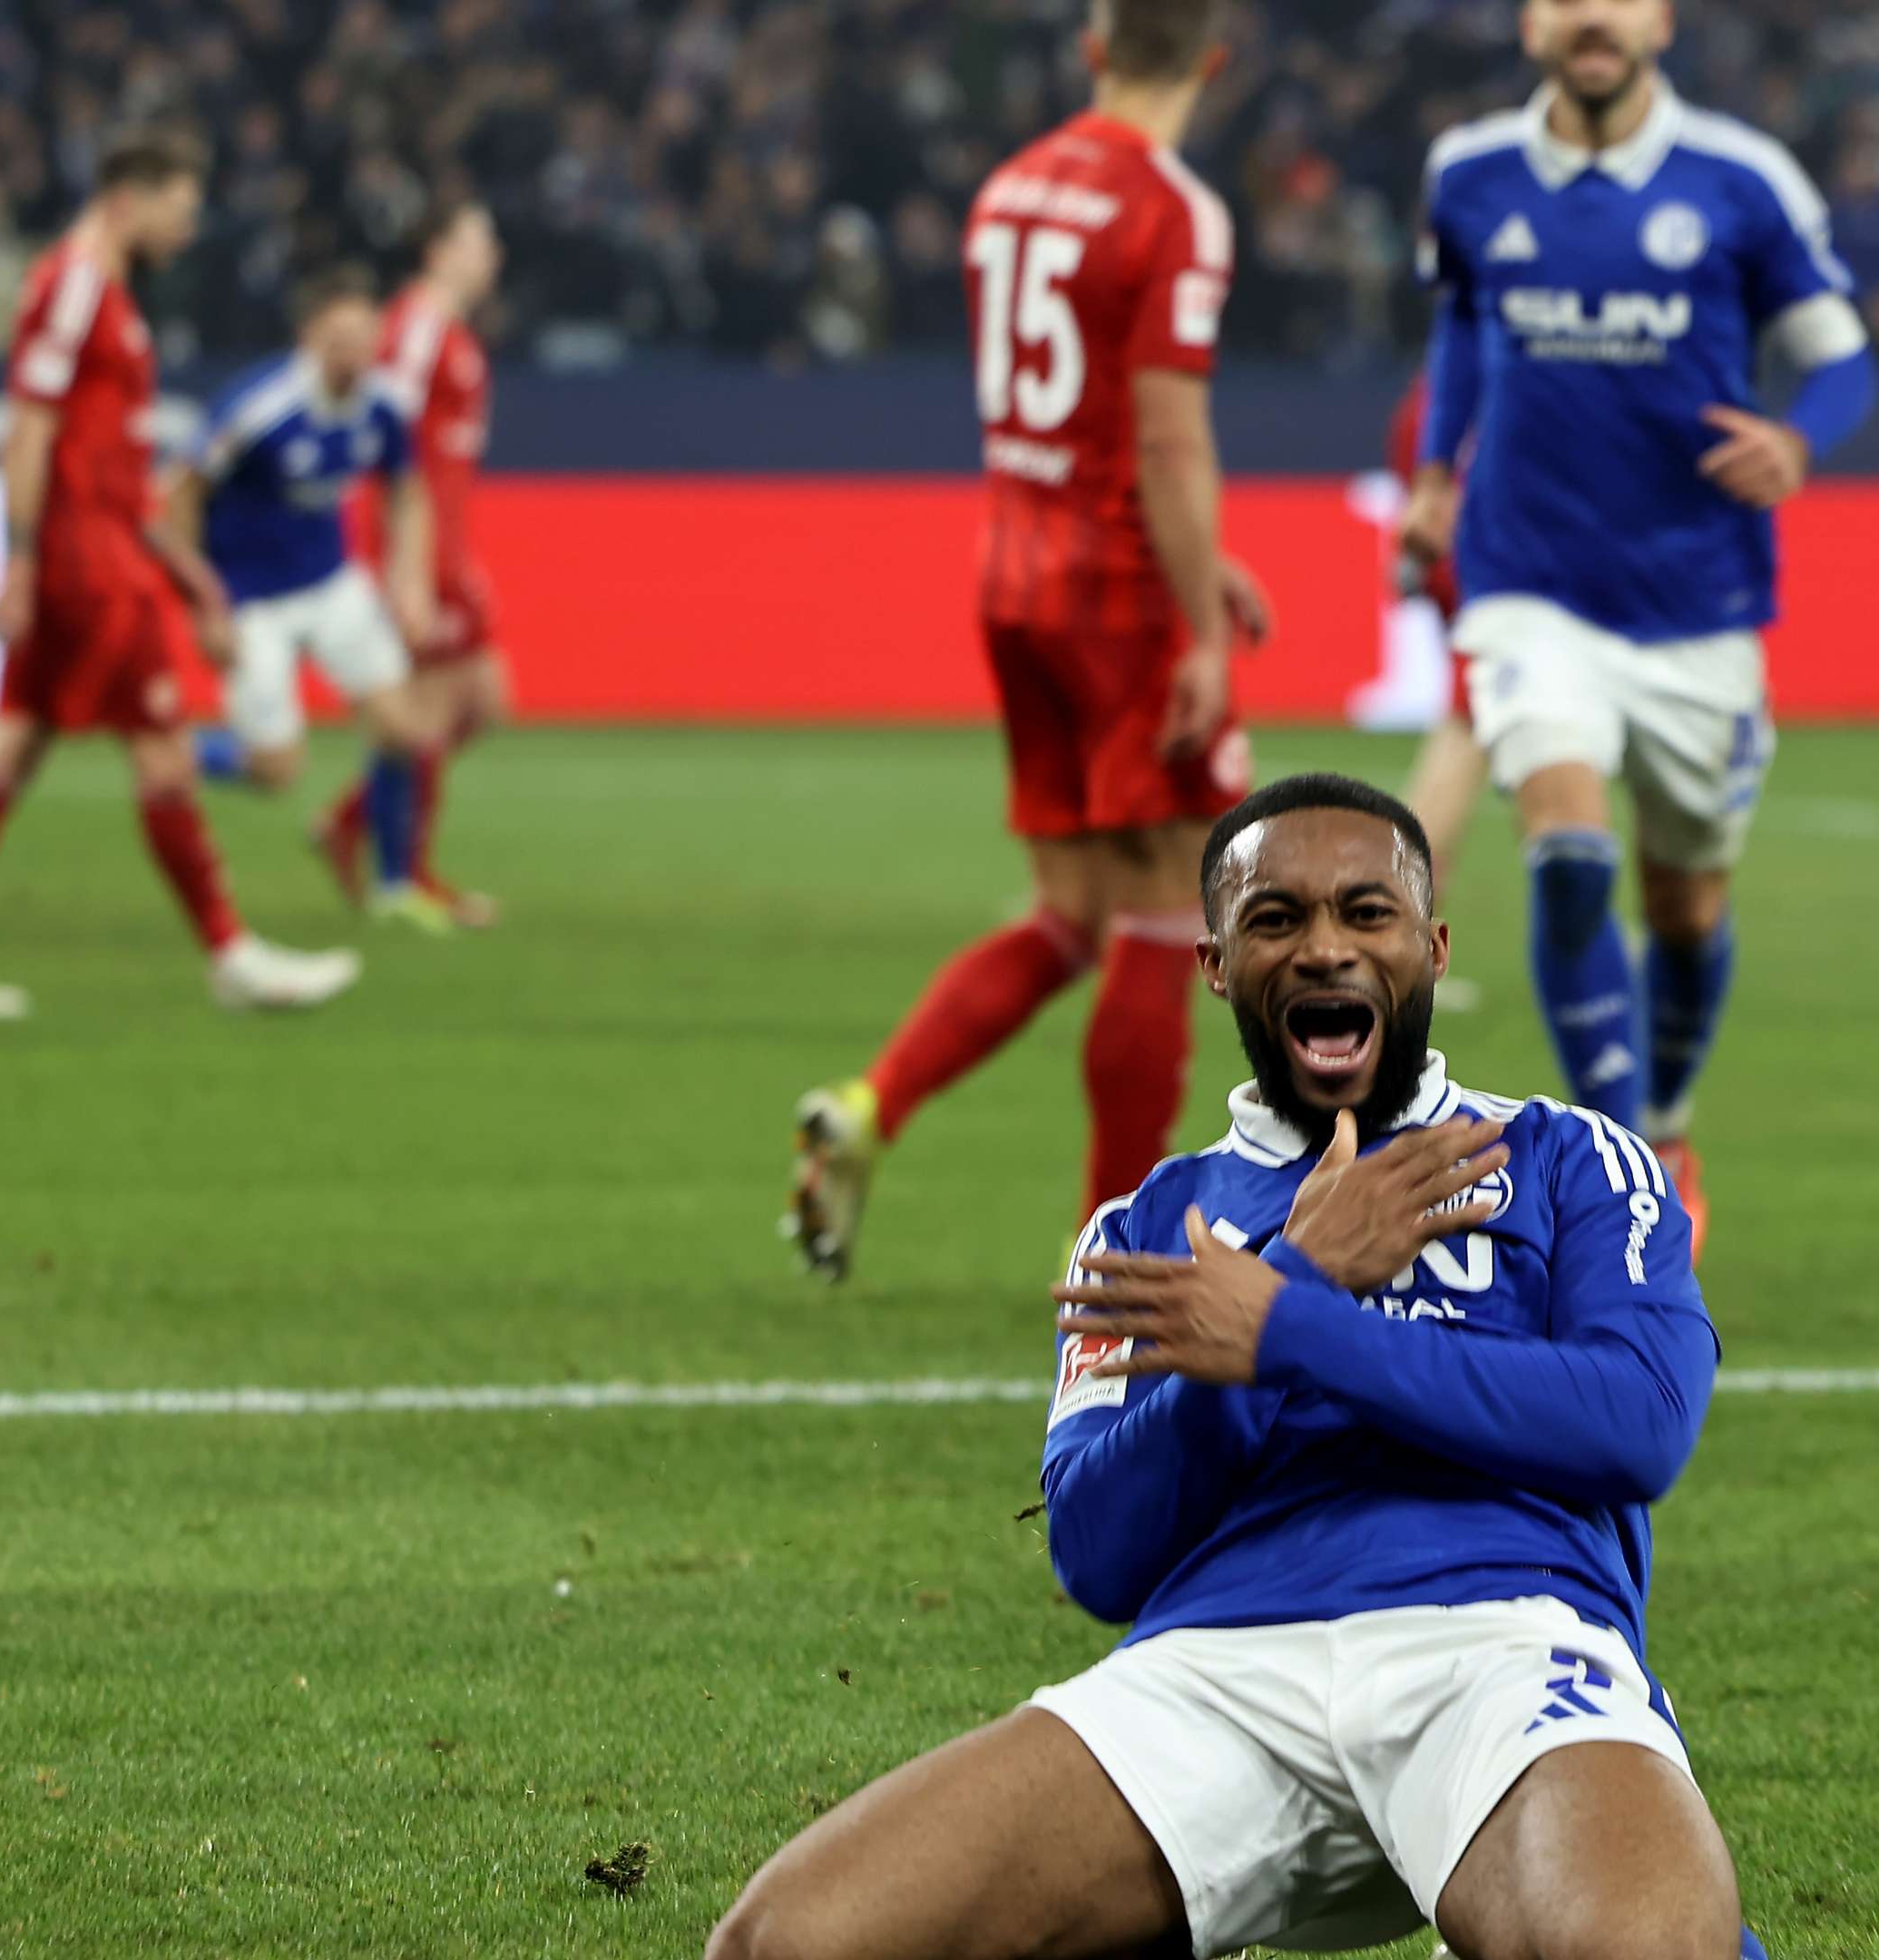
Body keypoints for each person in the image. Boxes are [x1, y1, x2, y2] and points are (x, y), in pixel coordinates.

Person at [710, 772, 1765, 1960]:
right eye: (1277, 920)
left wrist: (1287, 1325)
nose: (1326, 949)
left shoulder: (1572, 1157)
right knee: (787, 1943)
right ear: (1215, 963)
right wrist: (1301, 1275)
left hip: (1507, 1646)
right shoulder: (1144, 1226)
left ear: (1432, 944)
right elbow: (1098, 1554)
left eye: (1368, 914)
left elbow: (1640, 1424)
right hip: (1218, 1669)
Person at [783, 0, 1270, 1279]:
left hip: (1014, 574)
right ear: (1211, 62)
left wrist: (1196, 560)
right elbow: (1165, 438)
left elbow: (1074, 417)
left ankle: (872, 1105)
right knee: (1174, 912)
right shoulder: (1176, 212)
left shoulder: (1010, 189)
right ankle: (1117, 1257)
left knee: (1071, 914)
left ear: (1096, 46)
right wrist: (1202, 619)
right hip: (1118, 596)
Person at [1403, 0, 1879, 1250]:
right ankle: (1628, 1171)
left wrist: (1797, 438)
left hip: (1696, 609)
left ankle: (1664, 1115)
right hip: (1528, 586)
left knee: (1685, 908)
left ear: (1660, 19)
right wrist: (1441, 478)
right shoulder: (1470, 175)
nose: (1591, 17)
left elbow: (1843, 360)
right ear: (1530, 25)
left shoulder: (1741, 180)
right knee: (1567, 852)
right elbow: (1461, 322)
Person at [0, 131, 360, 1019]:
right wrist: (20, 560)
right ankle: (231, 954)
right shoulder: (73, 286)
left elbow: (113, 464)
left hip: (99, 544)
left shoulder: (105, 293)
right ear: (127, 200)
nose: (188, 229)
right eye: (179, 209)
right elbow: (26, 428)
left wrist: (190, 576)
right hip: (86, 562)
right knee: (161, 750)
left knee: (19, 737)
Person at [171, 266, 451, 931]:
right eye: (339, 341)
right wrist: (204, 605)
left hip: (331, 583)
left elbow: (409, 491)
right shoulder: (261, 406)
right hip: (252, 599)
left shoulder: (384, 406)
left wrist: (409, 579)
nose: (355, 355)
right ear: (309, 339)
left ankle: (393, 888)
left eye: (365, 339)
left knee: (403, 731)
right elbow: (179, 494)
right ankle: (172, 746)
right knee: (275, 771)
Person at [330, 201, 508, 926]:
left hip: (446, 546)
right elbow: (386, 438)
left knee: (485, 703)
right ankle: (405, 878)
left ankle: (353, 822)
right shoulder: (417, 328)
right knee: (427, 710)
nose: (490, 253)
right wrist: (406, 565)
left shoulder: (456, 334)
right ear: (437, 250)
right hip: (414, 549)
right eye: (477, 239)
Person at [1387, 368, 1489, 1012]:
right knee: (1454, 761)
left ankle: (1389, 949)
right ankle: (1391, 951)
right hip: (1517, 592)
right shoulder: (1520, 358)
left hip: (1485, 584)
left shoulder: (1430, 393)